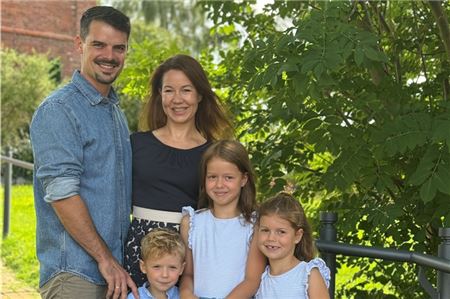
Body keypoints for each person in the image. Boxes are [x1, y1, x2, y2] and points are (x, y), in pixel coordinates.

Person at [30, 6, 138, 299]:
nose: (110, 56)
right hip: (75, 276)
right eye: (99, 44)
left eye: (119, 48)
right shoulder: (59, 110)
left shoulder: (114, 112)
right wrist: (104, 259)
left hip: (114, 274)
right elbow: (63, 194)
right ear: (79, 44)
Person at [124, 54, 234, 287]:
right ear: (159, 95)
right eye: (168, 90)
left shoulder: (213, 153)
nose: (177, 99)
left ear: (200, 95)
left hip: (191, 253)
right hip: (140, 250)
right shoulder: (136, 144)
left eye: (186, 90)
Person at [180, 140, 266, 299]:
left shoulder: (255, 225)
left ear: (244, 179)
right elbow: (188, 274)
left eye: (228, 177)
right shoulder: (192, 223)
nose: (219, 184)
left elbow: (252, 280)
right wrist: (186, 294)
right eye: (212, 177)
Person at [255, 192, 330, 299]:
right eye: (265, 230)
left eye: (281, 232)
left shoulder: (308, 275)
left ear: (297, 236)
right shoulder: (260, 278)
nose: (271, 238)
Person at [127, 228, 185, 299]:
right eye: (157, 267)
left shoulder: (184, 296)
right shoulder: (134, 297)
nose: (165, 275)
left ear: (181, 269)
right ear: (143, 266)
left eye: (172, 267)